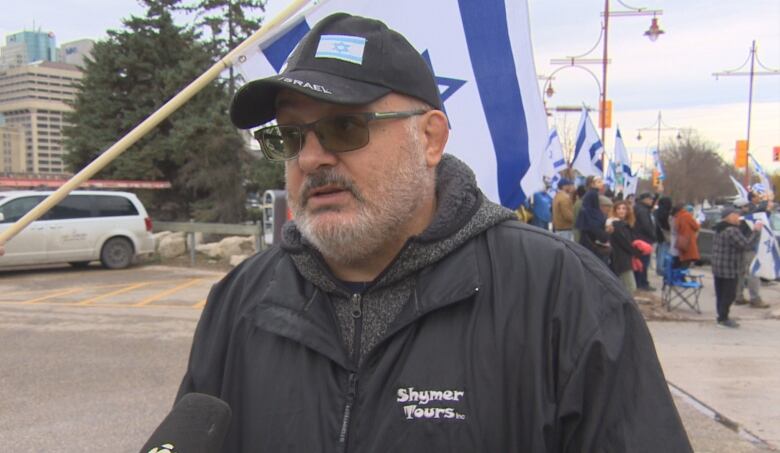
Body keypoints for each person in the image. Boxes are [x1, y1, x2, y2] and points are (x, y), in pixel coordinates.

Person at [176, 14, 691, 451]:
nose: (311, 157)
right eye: (290, 136)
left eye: (345, 127)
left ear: (430, 138)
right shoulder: (240, 301)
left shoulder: (561, 294)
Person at [712, 207, 763, 328]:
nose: (738, 217)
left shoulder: (719, 228)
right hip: (729, 267)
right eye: (736, 215)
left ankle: (721, 316)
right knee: (729, 294)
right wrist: (756, 231)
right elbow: (746, 245)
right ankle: (723, 319)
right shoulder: (732, 231)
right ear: (729, 216)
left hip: (718, 266)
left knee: (720, 293)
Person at [734, 195, 771, 308]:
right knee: (754, 272)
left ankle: (738, 296)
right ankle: (755, 299)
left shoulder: (736, 217)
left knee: (740, 272)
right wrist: (766, 201)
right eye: (746, 206)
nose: (748, 208)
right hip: (748, 248)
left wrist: (767, 209)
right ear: (742, 207)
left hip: (739, 248)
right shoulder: (743, 217)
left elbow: (761, 216)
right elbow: (758, 213)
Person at [574, 177, 612, 265]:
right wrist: (605, 234)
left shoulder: (589, 201)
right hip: (592, 247)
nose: (601, 183)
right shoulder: (591, 196)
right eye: (598, 182)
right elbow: (595, 229)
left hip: (591, 245)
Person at [608, 200, 639, 292]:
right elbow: (624, 243)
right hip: (620, 259)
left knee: (622, 287)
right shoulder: (615, 224)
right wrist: (636, 252)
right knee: (630, 287)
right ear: (615, 210)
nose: (621, 211)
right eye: (619, 208)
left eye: (624, 208)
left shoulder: (626, 224)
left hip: (625, 258)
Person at [633, 192, 658, 291]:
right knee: (643, 262)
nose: (652, 201)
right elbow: (646, 225)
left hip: (640, 238)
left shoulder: (640, 208)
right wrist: (653, 236)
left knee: (641, 262)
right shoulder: (642, 210)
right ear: (644, 199)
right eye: (650, 199)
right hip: (643, 240)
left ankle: (640, 281)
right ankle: (642, 283)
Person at [672, 203, 700, 269]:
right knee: (688, 259)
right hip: (689, 241)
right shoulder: (687, 216)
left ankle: (680, 276)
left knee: (683, 260)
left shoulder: (677, 217)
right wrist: (698, 223)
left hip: (681, 241)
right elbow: (696, 226)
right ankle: (682, 276)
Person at [654, 197, 673, 275]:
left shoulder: (656, 212)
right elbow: (668, 225)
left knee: (660, 251)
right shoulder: (667, 213)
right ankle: (661, 268)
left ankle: (659, 267)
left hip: (657, 233)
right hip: (665, 234)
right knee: (664, 251)